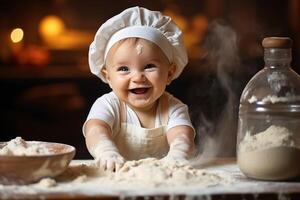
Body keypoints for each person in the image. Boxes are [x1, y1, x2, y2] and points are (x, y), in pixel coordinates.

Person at [84, 6, 195, 171]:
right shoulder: (108, 104)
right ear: (108, 77)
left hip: (161, 180)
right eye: (123, 69)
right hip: (117, 180)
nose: (137, 77)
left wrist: (178, 154)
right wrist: (105, 150)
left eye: (149, 66)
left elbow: (182, 136)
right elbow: (95, 130)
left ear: (169, 73)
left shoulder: (173, 108)